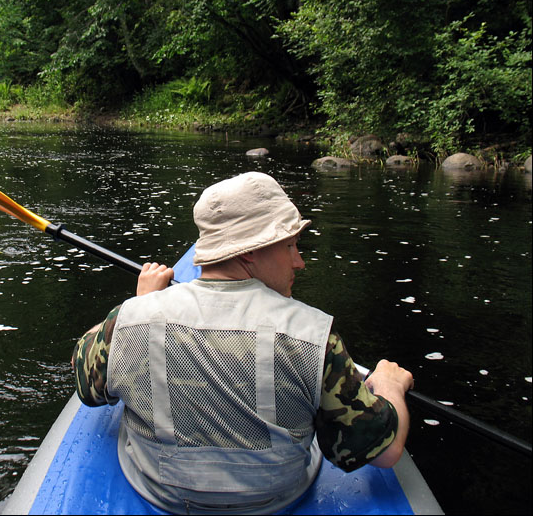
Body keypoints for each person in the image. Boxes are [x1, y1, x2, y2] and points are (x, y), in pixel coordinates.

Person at [72, 172, 413, 515]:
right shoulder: (315, 335)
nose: (299, 261)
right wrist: (390, 386)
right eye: (290, 246)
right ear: (249, 253)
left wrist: (142, 302)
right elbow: (385, 452)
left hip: (158, 492)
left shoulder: (131, 320)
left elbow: (87, 383)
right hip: (277, 498)